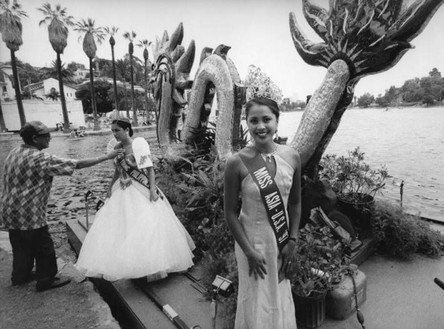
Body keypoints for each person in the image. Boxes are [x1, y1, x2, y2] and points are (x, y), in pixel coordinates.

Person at [0, 121, 122, 292]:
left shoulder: (14, 152)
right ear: (35, 138)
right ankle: (46, 279)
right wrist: (106, 157)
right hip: (29, 212)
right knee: (44, 247)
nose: (50, 137)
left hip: (9, 210)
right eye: (46, 136)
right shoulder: (40, 158)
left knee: (20, 245)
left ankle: (20, 276)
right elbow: (76, 164)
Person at [75, 117, 195, 281]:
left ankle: (150, 266)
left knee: (145, 226)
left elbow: (150, 170)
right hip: (122, 189)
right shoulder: (117, 147)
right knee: (122, 227)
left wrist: (152, 191)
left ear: (126, 130)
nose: (115, 134)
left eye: (117, 130)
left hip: (140, 189)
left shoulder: (138, 146)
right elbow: (117, 170)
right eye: (113, 131)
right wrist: (110, 187)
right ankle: (128, 264)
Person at [224, 97, 301, 329]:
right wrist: (249, 252)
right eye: (253, 120)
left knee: (279, 294)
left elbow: (296, 204)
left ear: (277, 121)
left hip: (281, 241)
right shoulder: (236, 162)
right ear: (247, 123)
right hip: (251, 244)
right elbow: (229, 213)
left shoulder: (292, 157)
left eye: (266, 119)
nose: (260, 126)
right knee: (255, 299)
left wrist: (293, 241)